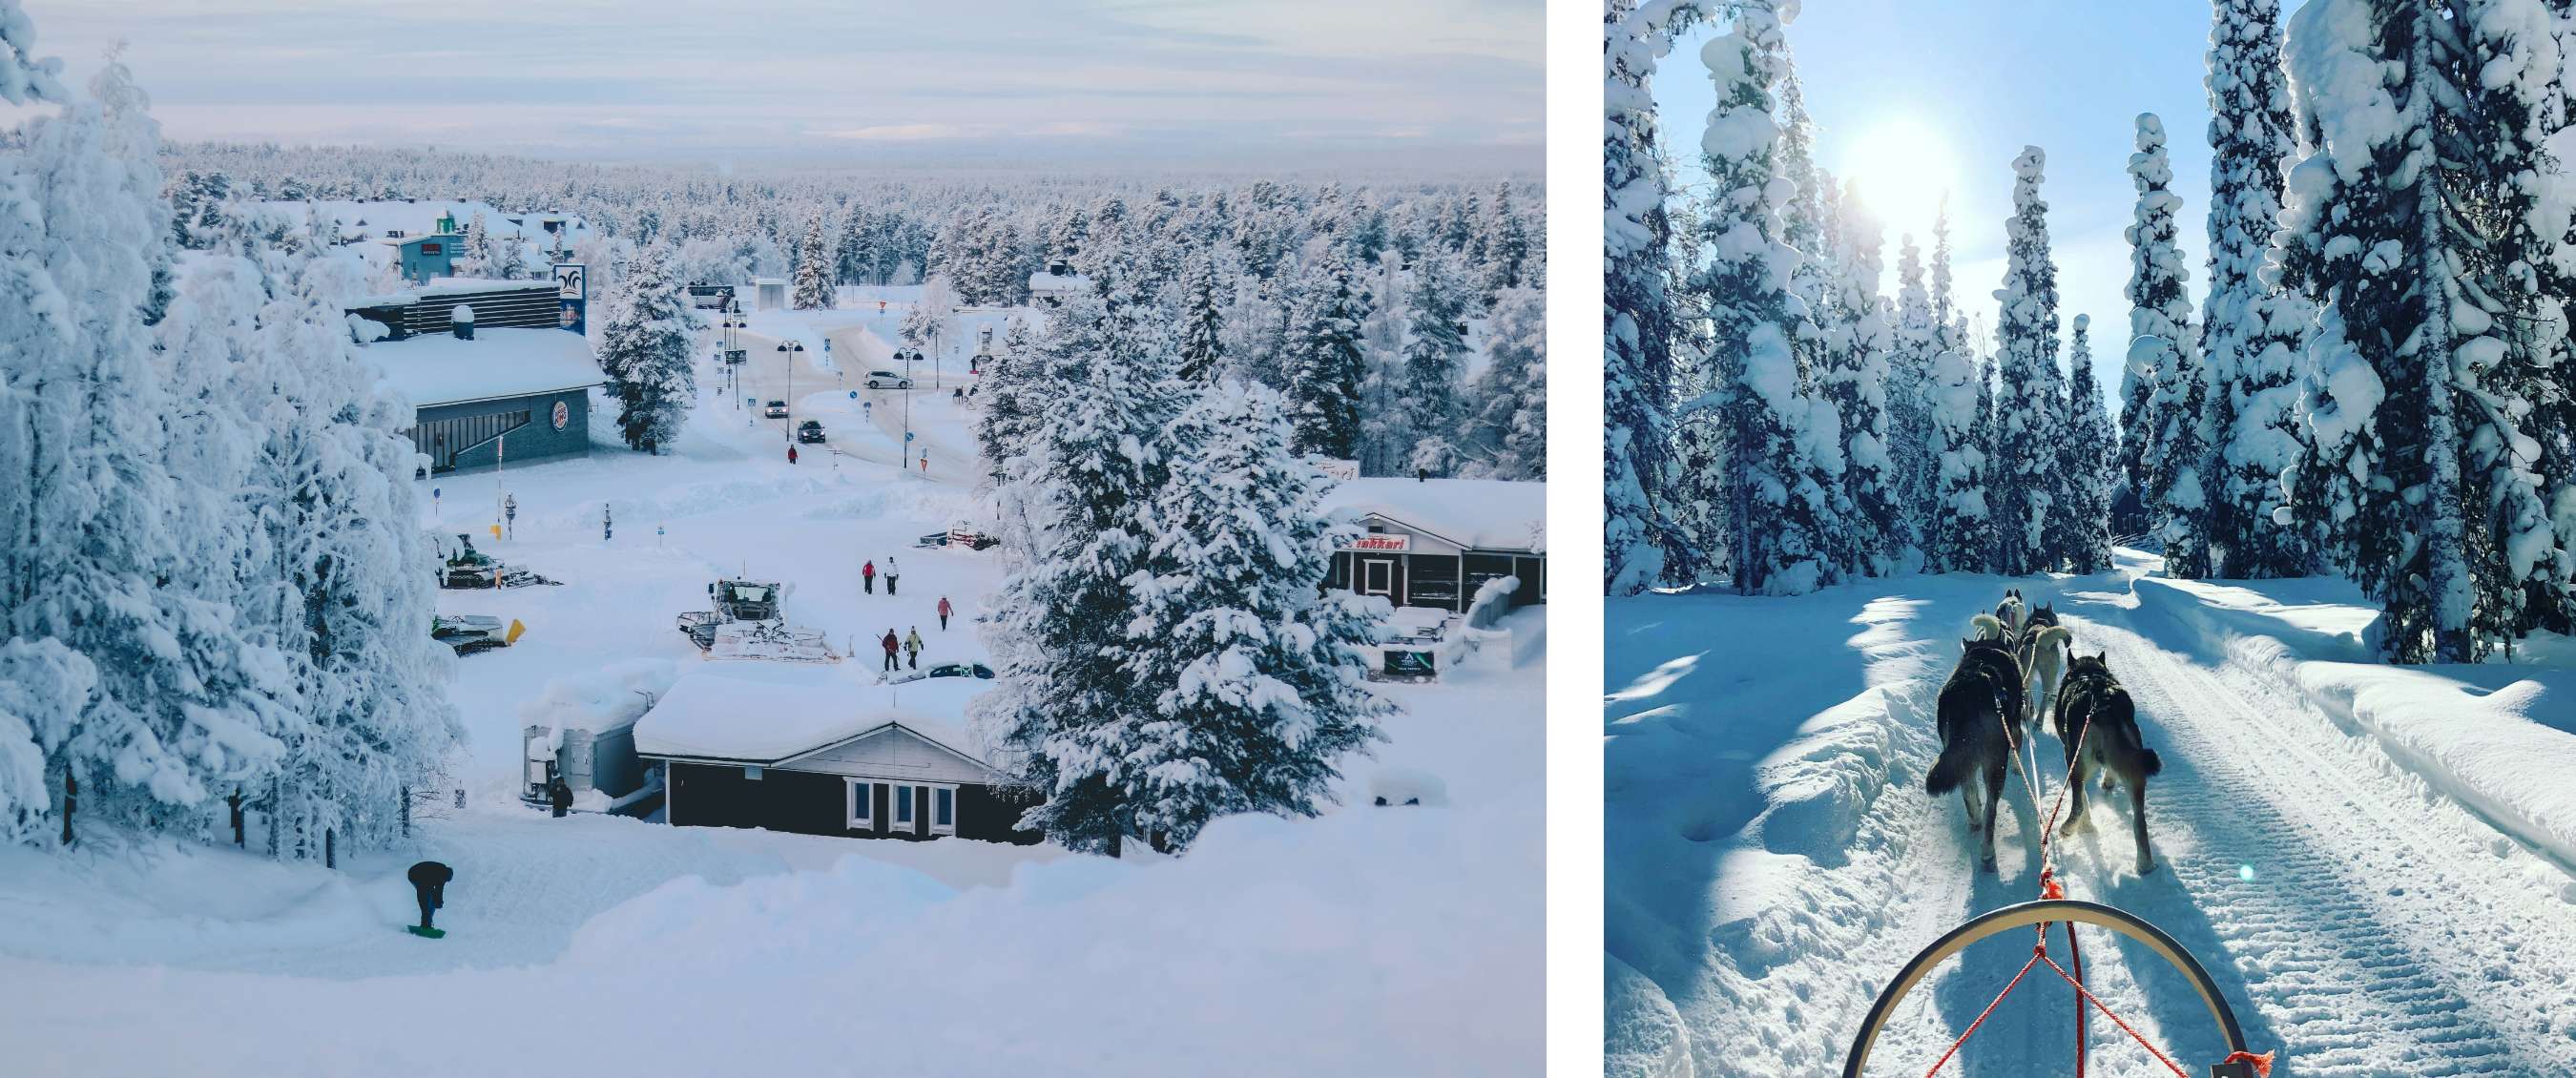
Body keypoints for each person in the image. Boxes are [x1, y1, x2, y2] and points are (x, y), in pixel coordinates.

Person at [406, 860, 453, 935]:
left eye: (445, 881)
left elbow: (439, 891)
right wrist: (435, 899)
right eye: (444, 879)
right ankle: (425, 925)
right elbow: (424, 895)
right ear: (442, 875)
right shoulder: (433, 873)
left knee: (434, 900)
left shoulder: (442, 877)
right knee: (426, 900)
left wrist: (439, 901)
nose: (444, 882)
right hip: (414, 875)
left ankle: (427, 923)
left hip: (425, 880)